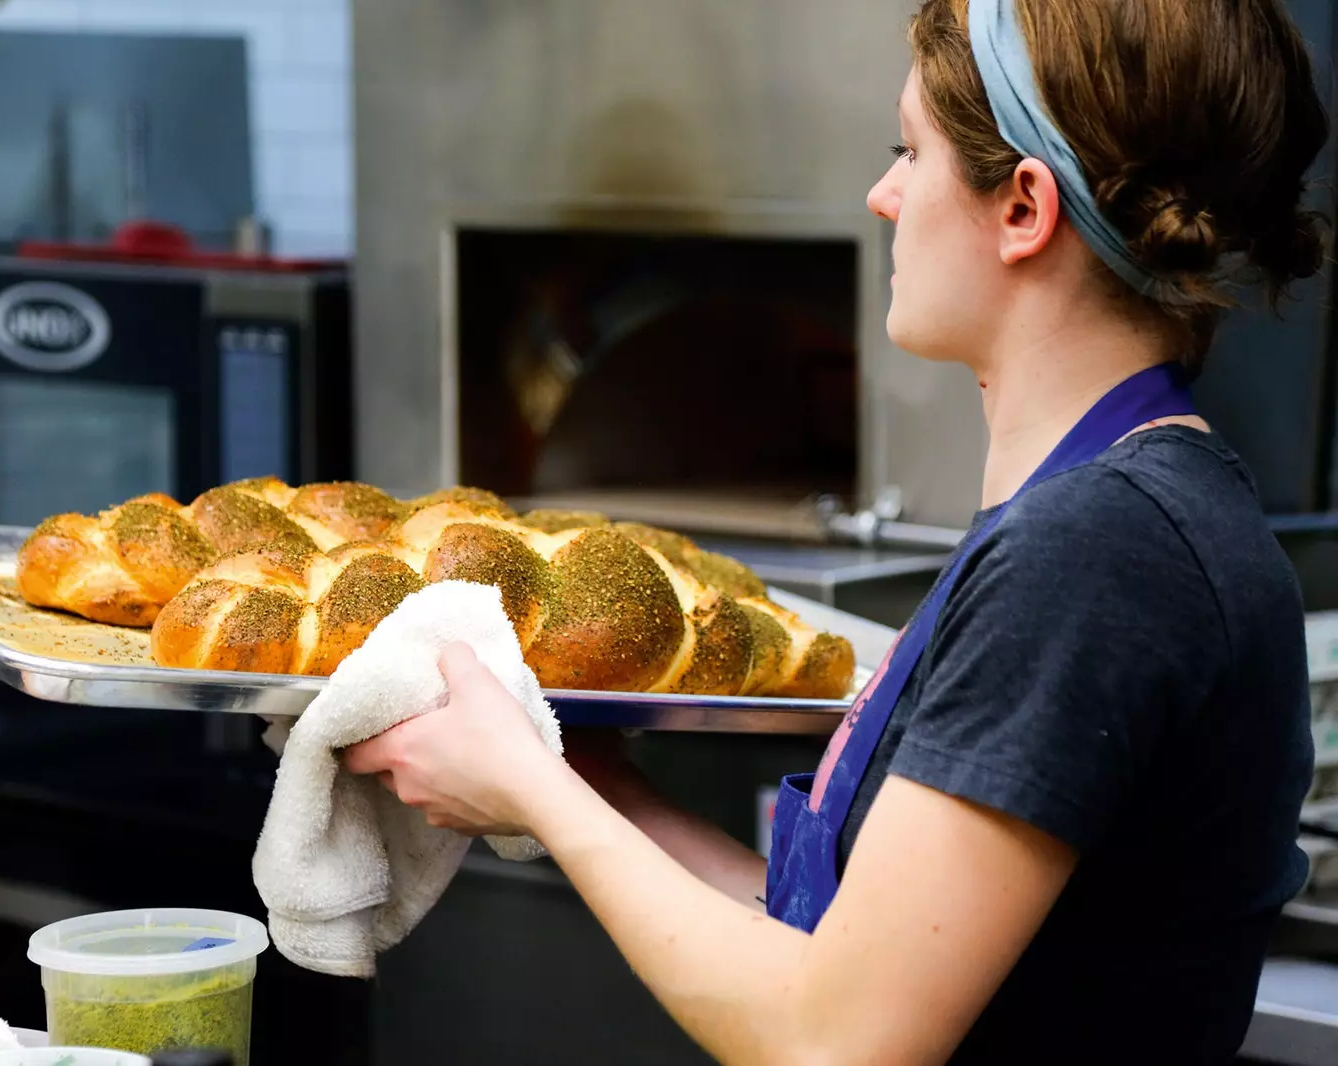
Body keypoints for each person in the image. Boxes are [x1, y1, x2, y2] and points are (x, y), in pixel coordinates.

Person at [343, 0, 1328, 1061]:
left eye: (910, 151)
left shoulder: (1098, 553)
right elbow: (827, 953)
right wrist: (585, 781)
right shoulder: (1095, 513)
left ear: (1023, 210)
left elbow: (839, 1039)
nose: (883, 193)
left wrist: (526, 786)